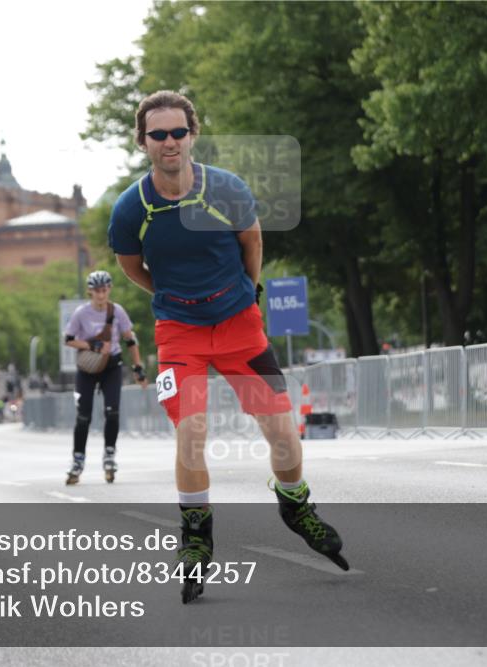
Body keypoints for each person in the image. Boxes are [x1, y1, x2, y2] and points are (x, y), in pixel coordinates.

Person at [109, 90, 348, 603]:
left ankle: (295, 502)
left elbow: (252, 243)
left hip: (240, 323)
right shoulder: (132, 208)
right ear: (143, 141)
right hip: (180, 332)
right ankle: (195, 534)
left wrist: (245, 293)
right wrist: (174, 297)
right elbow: (132, 267)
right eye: (158, 134)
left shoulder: (228, 189)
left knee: (283, 434)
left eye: (178, 132)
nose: (170, 142)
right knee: (191, 431)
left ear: (193, 134)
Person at [63, 270, 148, 485]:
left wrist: (138, 367)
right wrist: (91, 344)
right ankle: (78, 459)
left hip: (112, 366)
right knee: (84, 416)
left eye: (104, 290)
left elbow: (130, 339)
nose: (101, 295)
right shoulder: (81, 313)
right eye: (96, 291)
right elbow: (69, 339)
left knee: (112, 411)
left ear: (109, 289)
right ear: (90, 292)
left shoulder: (117, 311)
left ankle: (109, 454)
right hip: (88, 368)